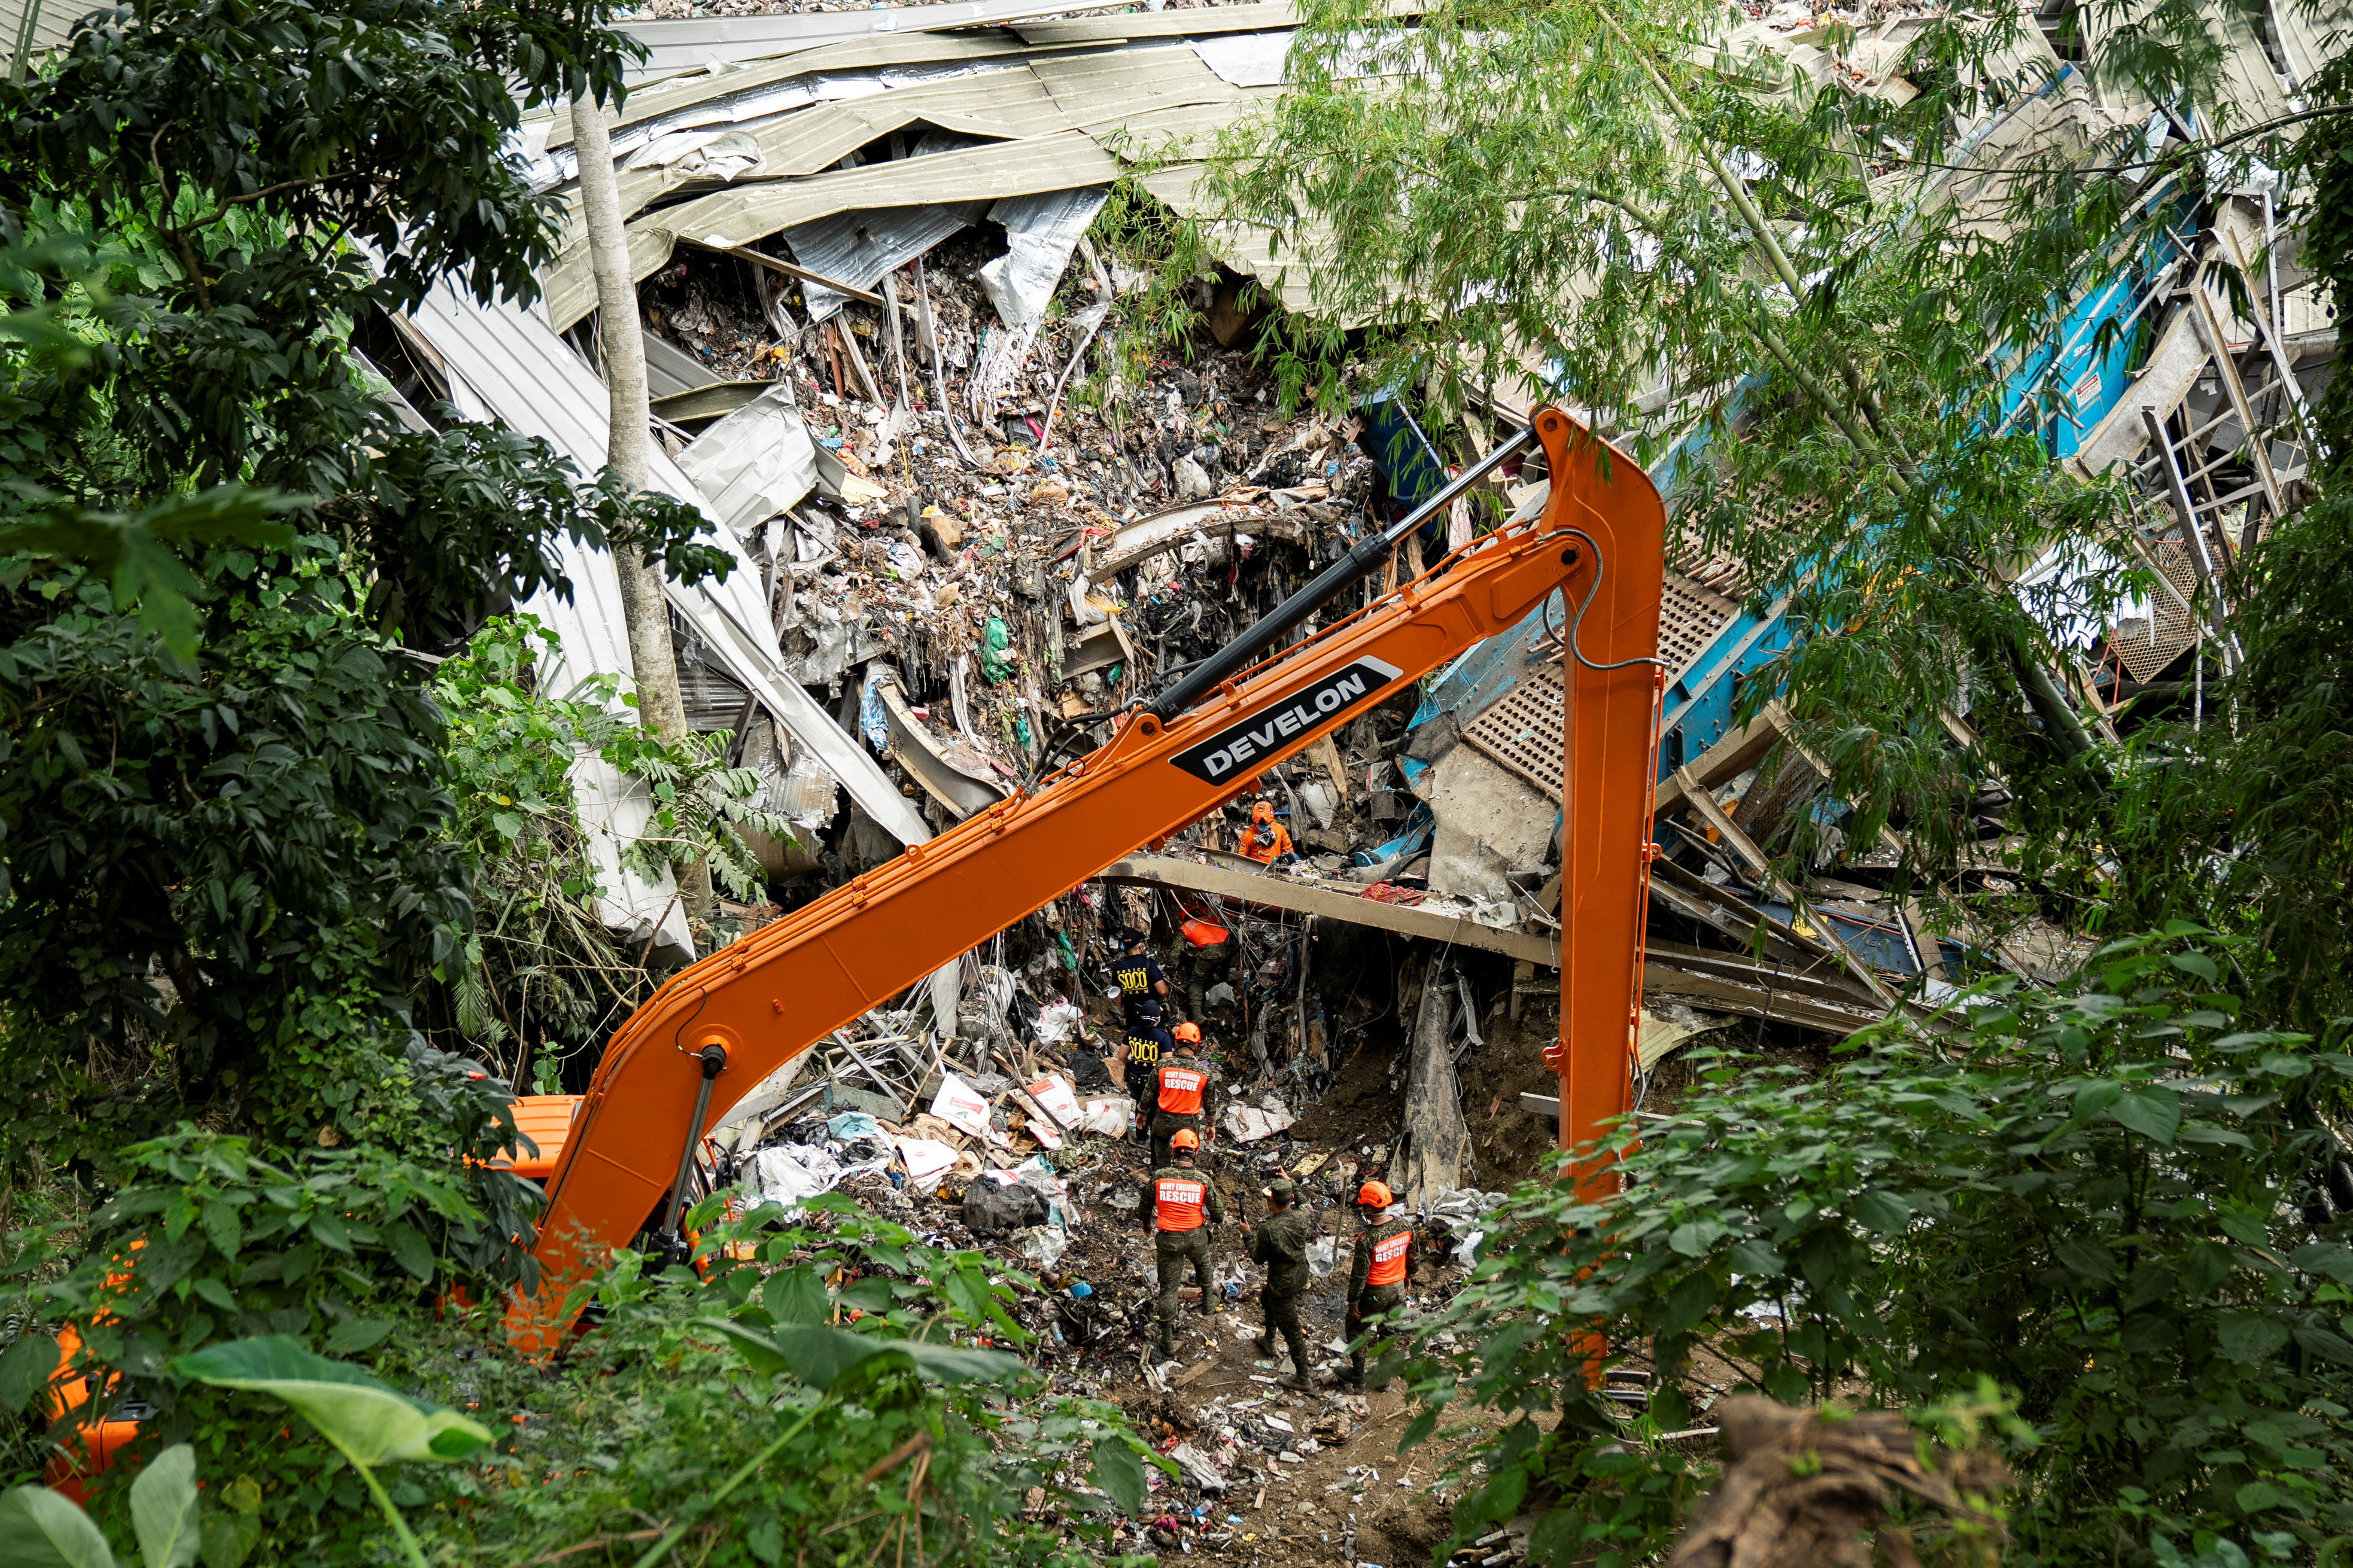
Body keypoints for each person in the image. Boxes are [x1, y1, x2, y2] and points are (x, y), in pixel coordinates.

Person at [1143, 1128, 1224, 1360]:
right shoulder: (1203, 1180)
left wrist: (1147, 1224)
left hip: (1169, 1239)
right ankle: (1209, 1307)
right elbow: (1218, 1213)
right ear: (1195, 1154)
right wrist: (1208, 1216)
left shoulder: (1159, 1176)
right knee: (1204, 1264)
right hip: (1195, 1235)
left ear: (1173, 1151)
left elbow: (1144, 1206)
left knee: (1168, 1289)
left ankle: (1167, 1342)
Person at [1343, 1180, 1413, 1391]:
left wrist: (1353, 1302)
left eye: (1363, 1205)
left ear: (1368, 1208)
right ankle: (1384, 1379)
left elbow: (1359, 1275)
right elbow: (1413, 1256)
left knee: (1356, 1328)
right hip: (1399, 1288)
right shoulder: (1405, 1226)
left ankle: (1358, 1374)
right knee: (1389, 1331)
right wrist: (1408, 1276)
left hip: (1376, 1291)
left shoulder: (1367, 1239)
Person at [1246, 1177, 1315, 1390]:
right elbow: (1306, 1204)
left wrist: (1246, 1234)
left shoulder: (1269, 1229)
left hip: (1282, 1284)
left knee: (1293, 1330)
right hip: (1300, 1275)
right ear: (1291, 1199)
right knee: (1267, 1298)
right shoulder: (1303, 1216)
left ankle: (1303, 1378)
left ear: (1271, 1201)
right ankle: (1269, 1340)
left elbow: (1257, 1257)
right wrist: (1292, 1182)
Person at [1111, 926, 1174, 1112]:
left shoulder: (1119, 967)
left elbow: (1117, 994)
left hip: (1132, 1015)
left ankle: (1133, 1086)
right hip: (1152, 1013)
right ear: (1140, 945)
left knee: (1135, 1048)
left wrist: (1122, 1013)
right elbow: (1162, 991)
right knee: (1157, 1046)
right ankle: (1155, 1088)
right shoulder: (1148, 964)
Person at [1151, 1027, 1219, 1168]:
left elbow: (1149, 1091)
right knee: (1188, 1151)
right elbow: (1209, 1103)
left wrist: (1142, 1112)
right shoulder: (1204, 1072)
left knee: (1161, 1146)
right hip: (1189, 1121)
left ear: (1176, 1044)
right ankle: (1187, 1176)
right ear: (1196, 1046)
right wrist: (1211, 1125)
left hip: (1164, 1118)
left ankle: (1162, 1175)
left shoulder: (1163, 1065)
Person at [1238, 799, 1294, 864]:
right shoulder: (1248, 836)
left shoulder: (1279, 829)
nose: (1263, 825)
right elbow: (1240, 860)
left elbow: (1288, 851)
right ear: (1255, 821)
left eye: (1265, 823)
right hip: (1255, 872)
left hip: (1275, 870)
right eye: (1260, 824)